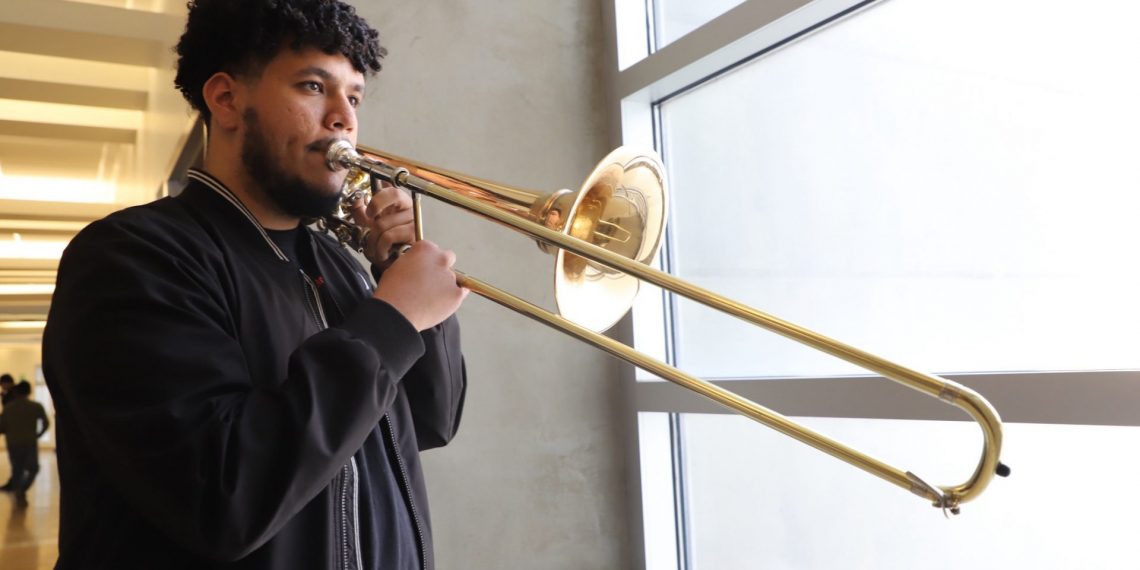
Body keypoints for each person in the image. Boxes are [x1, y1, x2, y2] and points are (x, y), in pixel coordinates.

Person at [42, 1, 468, 568]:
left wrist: (402, 282)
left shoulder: (339, 264)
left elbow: (430, 421)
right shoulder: (131, 257)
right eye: (314, 86)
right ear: (226, 99)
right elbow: (222, 495)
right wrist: (391, 320)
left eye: (355, 97)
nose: (344, 118)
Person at [0, 381, 50, 508]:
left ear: (15, 393)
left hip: (13, 443)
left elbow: (1, 427)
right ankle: (22, 490)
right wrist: (38, 434)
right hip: (30, 442)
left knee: (17, 469)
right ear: (29, 392)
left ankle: (18, 491)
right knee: (33, 468)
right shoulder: (36, 406)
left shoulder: (8, 408)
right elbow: (46, 423)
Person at [0, 373, 15, 492]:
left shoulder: (11, 395)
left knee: (16, 458)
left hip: (13, 429)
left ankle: (15, 483)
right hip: (12, 428)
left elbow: (8, 412)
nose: (2, 387)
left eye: (2, 384)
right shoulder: (10, 394)